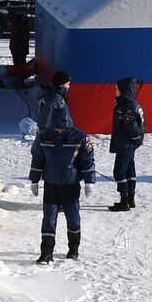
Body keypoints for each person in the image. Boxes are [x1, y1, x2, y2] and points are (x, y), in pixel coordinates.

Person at [29, 99, 96, 264]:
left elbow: (87, 160)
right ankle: (46, 253)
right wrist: (34, 180)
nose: (59, 130)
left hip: (70, 185)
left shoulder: (79, 137)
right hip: (51, 185)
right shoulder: (43, 137)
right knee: (49, 219)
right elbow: (37, 159)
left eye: (63, 127)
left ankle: (73, 250)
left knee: (73, 218)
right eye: (56, 127)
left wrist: (89, 181)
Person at [108, 76, 145, 211]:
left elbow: (132, 127)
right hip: (128, 144)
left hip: (126, 144)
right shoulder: (132, 103)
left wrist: (135, 140)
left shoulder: (126, 107)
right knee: (129, 169)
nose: (115, 92)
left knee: (119, 171)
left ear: (123, 91)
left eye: (117, 90)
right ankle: (130, 198)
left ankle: (124, 200)